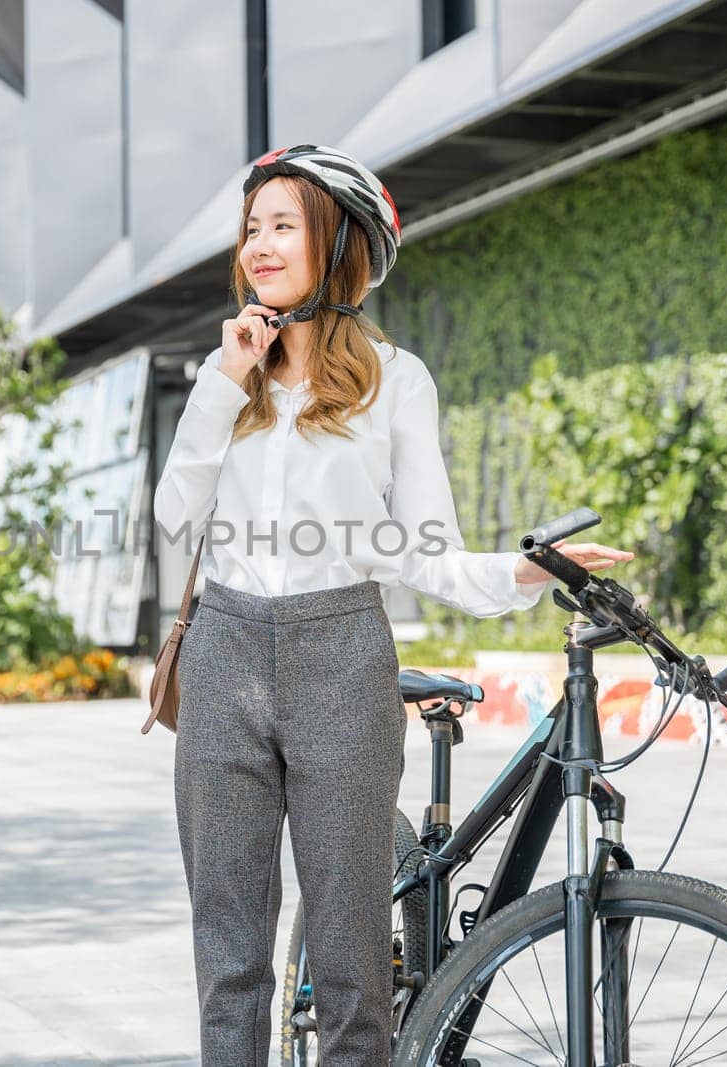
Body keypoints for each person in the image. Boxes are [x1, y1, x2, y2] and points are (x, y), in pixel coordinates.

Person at [152, 144, 634, 1065]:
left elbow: (426, 552)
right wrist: (224, 381)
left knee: (352, 964)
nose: (259, 244)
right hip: (222, 655)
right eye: (252, 228)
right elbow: (175, 518)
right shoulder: (227, 382)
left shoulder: (395, 380)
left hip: (341, 658)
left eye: (283, 224)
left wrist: (531, 570)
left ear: (337, 245)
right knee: (229, 959)